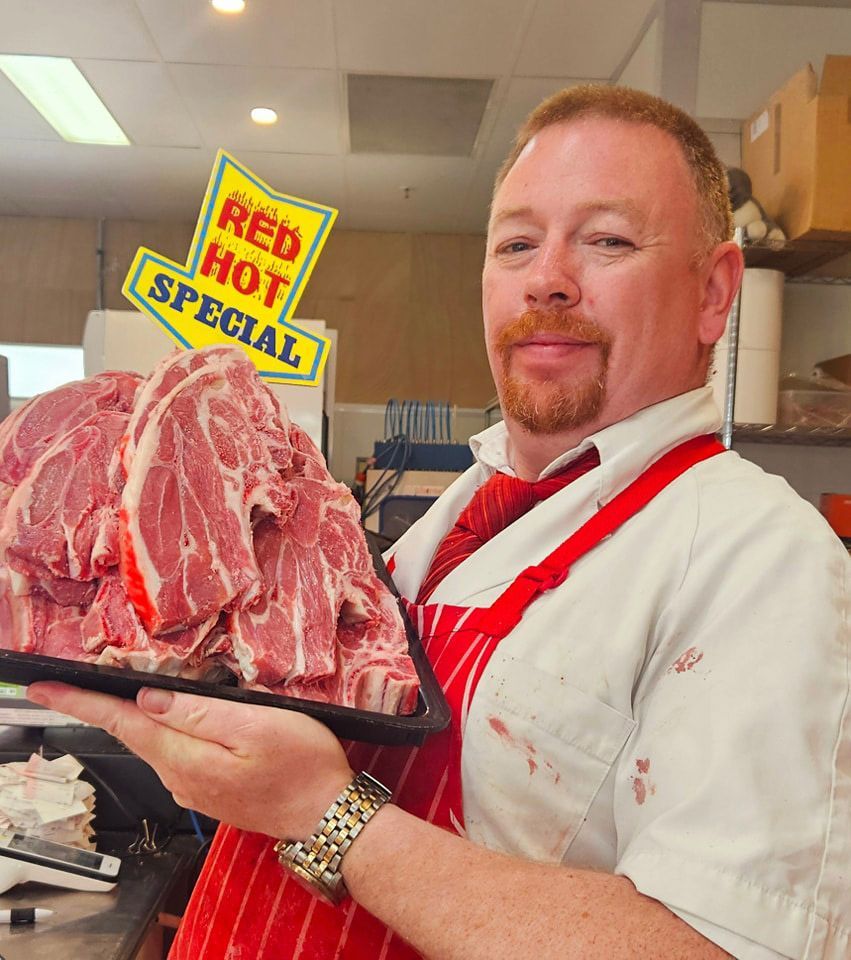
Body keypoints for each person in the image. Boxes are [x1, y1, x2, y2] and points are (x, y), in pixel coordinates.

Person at [27, 85, 849, 960]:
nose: (548, 278)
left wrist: (324, 814)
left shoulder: (759, 560)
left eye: (607, 240)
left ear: (714, 293)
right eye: (517, 244)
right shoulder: (456, 516)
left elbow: (718, 949)